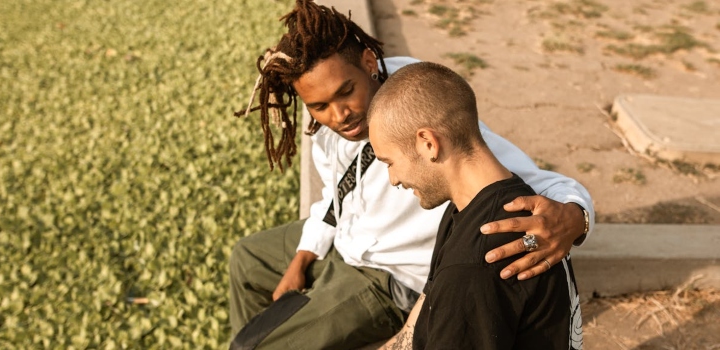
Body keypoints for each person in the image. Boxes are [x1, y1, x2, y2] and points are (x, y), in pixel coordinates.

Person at [230, 0, 593, 348]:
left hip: (386, 278)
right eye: (320, 106)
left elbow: (508, 174)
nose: (338, 115)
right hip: (347, 241)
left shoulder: (418, 109)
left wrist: (575, 218)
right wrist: (303, 257)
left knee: (253, 346)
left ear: (369, 62)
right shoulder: (329, 122)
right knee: (247, 258)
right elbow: (335, 196)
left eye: (346, 92)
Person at [369, 61, 583, 350]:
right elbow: (414, 329)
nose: (393, 179)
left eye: (390, 163)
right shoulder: (485, 204)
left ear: (428, 143)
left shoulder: (474, 265)